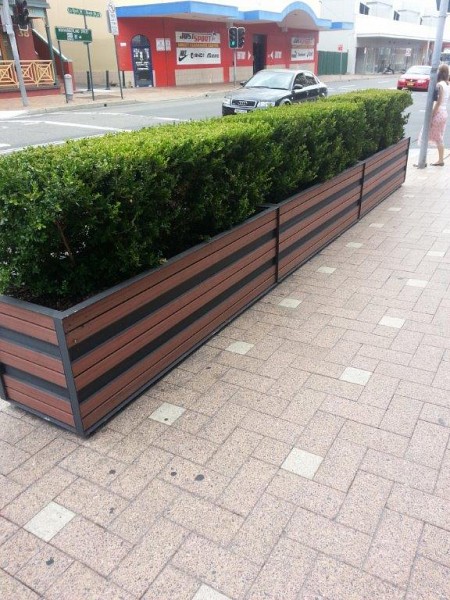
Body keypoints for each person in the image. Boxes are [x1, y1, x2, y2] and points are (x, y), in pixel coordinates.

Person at [427, 63, 450, 166]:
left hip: (439, 112)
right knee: (439, 137)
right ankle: (440, 160)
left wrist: (431, 114)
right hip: (444, 112)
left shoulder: (440, 85)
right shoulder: (447, 84)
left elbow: (438, 102)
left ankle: (423, 160)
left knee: (426, 133)